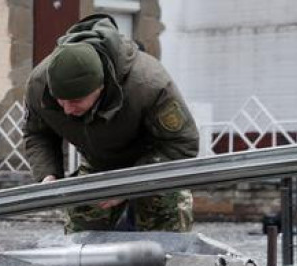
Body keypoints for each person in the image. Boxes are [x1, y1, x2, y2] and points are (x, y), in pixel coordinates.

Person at [23, 14, 199, 232]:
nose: (67, 109)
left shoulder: (149, 84)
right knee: (81, 238)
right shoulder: (39, 84)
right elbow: (37, 133)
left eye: (76, 101)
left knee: (166, 231)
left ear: (101, 87)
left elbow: (183, 143)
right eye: (61, 102)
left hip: (153, 166)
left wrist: (129, 184)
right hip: (99, 164)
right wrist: (48, 174)